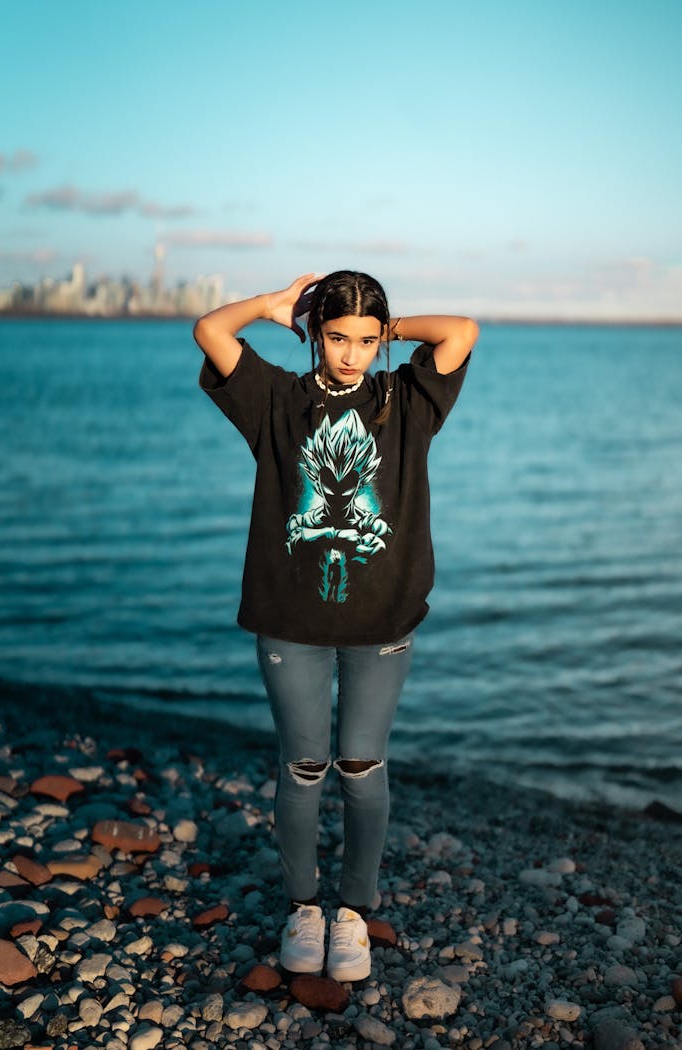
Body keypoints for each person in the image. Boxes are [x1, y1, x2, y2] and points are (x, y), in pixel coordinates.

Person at [194, 271, 478, 981]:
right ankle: (303, 907)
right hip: (291, 622)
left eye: (364, 339)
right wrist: (272, 306)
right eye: (336, 336)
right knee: (303, 765)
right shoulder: (276, 401)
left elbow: (463, 331)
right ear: (315, 334)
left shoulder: (406, 399)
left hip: (382, 620)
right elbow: (209, 331)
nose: (351, 353)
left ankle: (352, 909)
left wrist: (390, 323)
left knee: (361, 763)